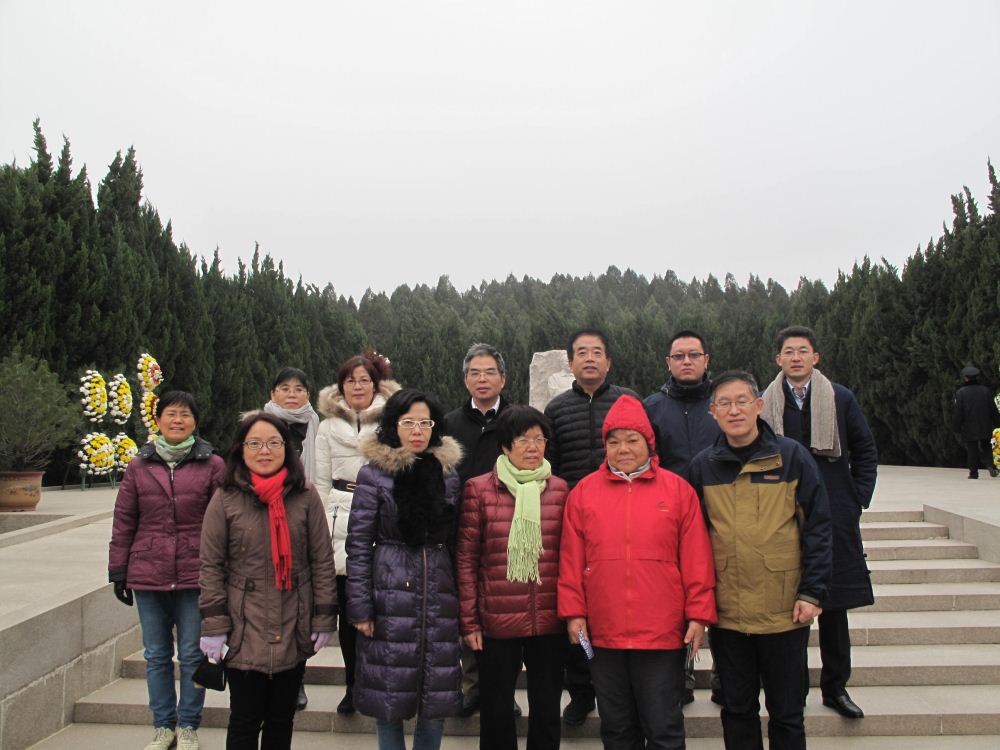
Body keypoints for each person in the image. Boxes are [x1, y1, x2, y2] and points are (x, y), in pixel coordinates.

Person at [558, 395, 716, 750]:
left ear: (649, 443)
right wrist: (573, 613)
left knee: (663, 726)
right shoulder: (584, 493)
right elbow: (571, 560)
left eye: (632, 440)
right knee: (616, 728)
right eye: (614, 442)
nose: (623, 449)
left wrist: (698, 614)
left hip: (661, 632)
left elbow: (697, 559)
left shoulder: (677, 491)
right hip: (603, 632)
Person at [690, 371, 832, 750]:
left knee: (787, 712)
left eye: (742, 401)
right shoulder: (702, 466)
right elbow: (692, 541)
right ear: (713, 412)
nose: (734, 410)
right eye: (724, 403)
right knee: (737, 710)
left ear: (758, 406)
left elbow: (818, 528)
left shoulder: (791, 457)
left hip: (784, 611)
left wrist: (812, 592)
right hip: (728, 613)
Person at [198, 411, 336, 750]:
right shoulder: (226, 497)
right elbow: (211, 565)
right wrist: (214, 625)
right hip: (243, 625)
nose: (265, 451)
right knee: (244, 720)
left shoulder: (305, 495)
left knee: (281, 719)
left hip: (293, 622)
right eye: (255, 443)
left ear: (287, 449)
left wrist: (323, 617)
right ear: (241, 449)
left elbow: (321, 560)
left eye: (274, 443)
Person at [760, 325, 878, 720]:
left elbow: (865, 449)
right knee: (787, 601)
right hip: (783, 511)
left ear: (815, 357)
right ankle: (791, 688)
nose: (796, 357)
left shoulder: (839, 397)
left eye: (803, 351)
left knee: (834, 604)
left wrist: (857, 498)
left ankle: (835, 687)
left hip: (834, 508)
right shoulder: (765, 402)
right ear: (778, 359)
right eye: (788, 351)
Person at [346, 389, 464, 750]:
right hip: (389, 591)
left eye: (425, 423)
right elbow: (358, 545)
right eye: (408, 422)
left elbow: (456, 541)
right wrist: (361, 607)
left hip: (439, 593)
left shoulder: (448, 475)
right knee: (388, 699)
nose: (417, 430)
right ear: (393, 426)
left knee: (435, 701)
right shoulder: (374, 475)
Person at [108, 391, 224, 750]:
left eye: (185, 414)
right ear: (158, 420)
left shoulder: (213, 465)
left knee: (191, 654)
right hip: (148, 572)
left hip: (195, 573)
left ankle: (188, 725)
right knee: (156, 655)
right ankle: (163, 726)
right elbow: (124, 520)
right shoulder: (138, 466)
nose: (178, 420)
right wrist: (118, 569)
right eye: (171, 414)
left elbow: (224, 521)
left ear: (195, 422)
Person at [457, 406, 569, 750]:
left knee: (547, 708)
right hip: (497, 620)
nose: (533, 447)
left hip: (549, 618)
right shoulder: (479, 490)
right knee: (495, 709)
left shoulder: (560, 490)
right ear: (505, 446)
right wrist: (470, 622)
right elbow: (467, 560)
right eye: (523, 440)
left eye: (539, 439)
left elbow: (570, 557)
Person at [543, 328, 638, 725]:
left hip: (624, 519)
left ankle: (624, 691)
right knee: (576, 607)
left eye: (597, 352)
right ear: (570, 363)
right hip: (574, 522)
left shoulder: (628, 402)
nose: (589, 359)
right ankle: (582, 691)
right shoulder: (556, 409)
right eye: (581, 352)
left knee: (618, 605)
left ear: (609, 362)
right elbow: (550, 465)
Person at [314, 351, 400, 715]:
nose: (358, 386)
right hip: (339, 516)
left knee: (381, 608)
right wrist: (319, 527)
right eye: (351, 380)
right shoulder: (327, 427)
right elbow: (320, 479)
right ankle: (353, 684)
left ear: (376, 385)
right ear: (341, 386)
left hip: (381, 513)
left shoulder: (393, 419)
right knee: (350, 612)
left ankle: (381, 681)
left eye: (365, 380)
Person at [643, 329, 722, 705]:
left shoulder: (723, 402)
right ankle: (682, 673)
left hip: (722, 512)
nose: (686, 361)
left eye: (694, 355)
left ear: (707, 360)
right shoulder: (652, 407)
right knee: (676, 598)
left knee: (723, 594)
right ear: (668, 362)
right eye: (679, 356)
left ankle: (725, 674)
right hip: (669, 517)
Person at [443, 342, 515, 717]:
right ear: (465, 379)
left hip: (509, 531)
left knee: (505, 612)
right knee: (467, 609)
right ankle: (472, 686)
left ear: (503, 378)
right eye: (475, 372)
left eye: (489, 372)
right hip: (463, 531)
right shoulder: (449, 424)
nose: (482, 379)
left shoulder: (517, 421)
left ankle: (504, 692)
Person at [263, 365, 321, 710]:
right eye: (284, 388)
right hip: (265, 525)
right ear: (273, 394)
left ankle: (296, 680)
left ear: (308, 395)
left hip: (303, 521)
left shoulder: (316, 425)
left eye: (298, 389)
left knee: (300, 611)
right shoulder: (259, 425)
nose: (291, 394)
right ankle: (267, 676)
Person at [952, 365, 1000, 479]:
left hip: (969, 425)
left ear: (966, 378)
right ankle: (990, 466)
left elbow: (958, 412)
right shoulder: (986, 391)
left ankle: (973, 473)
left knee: (972, 449)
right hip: (985, 423)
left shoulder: (961, 393)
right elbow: (993, 408)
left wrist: (956, 426)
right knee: (986, 445)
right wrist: (997, 422)